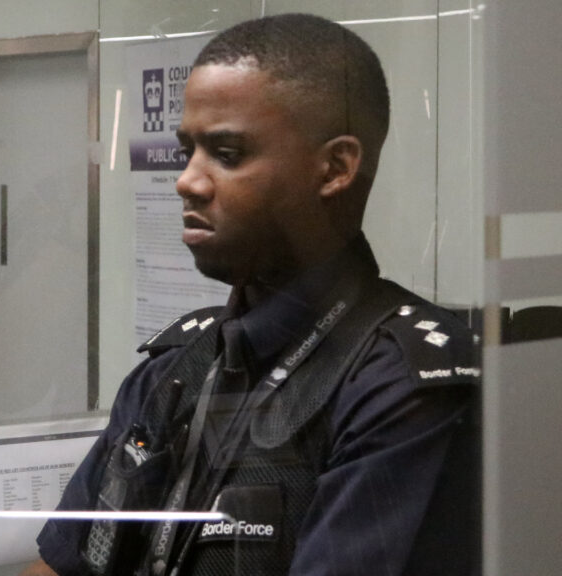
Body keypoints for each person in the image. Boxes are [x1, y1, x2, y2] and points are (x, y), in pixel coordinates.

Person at [27, 13, 479, 576]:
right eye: (187, 149)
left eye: (227, 153)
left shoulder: (399, 385)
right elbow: (62, 565)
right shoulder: (176, 368)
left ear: (334, 167)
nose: (187, 180)